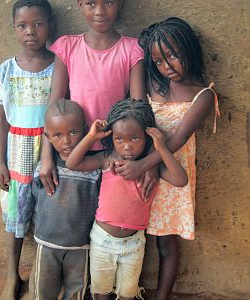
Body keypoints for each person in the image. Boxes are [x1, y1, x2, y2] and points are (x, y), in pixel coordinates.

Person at [113, 17, 220, 300]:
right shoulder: (152, 84)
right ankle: (125, 290)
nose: (167, 66)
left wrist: (142, 166)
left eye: (174, 55)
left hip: (172, 176)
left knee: (165, 244)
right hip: (144, 168)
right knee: (136, 236)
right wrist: (141, 165)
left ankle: (162, 297)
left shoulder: (203, 95)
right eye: (159, 61)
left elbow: (176, 140)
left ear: (190, 49)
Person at [66, 98, 188, 300]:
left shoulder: (150, 168)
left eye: (134, 138)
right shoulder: (107, 159)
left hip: (134, 243)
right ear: (111, 138)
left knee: (128, 293)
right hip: (102, 240)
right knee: (100, 292)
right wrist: (90, 137)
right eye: (119, 139)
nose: (127, 147)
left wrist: (162, 148)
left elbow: (180, 179)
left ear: (147, 136)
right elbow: (72, 163)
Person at [39, 0, 154, 197]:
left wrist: (147, 161)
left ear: (120, 3)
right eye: (91, 3)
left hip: (116, 153)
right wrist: (46, 156)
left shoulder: (132, 49)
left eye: (108, 2)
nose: (100, 11)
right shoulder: (68, 46)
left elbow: (140, 111)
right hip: (72, 150)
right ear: (80, 4)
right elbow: (54, 106)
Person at [0, 0, 54, 299]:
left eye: (38, 24)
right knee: (15, 215)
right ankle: (11, 277)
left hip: (49, 150)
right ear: (15, 29)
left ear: (50, 26)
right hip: (16, 152)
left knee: (47, 213)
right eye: (23, 25)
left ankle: (41, 278)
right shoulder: (6, 70)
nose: (31, 31)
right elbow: (2, 120)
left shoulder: (58, 67)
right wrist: (0, 163)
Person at [30, 99, 101, 300]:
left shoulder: (93, 168)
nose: (67, 141)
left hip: (80, 246)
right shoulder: (45, 169)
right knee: (42, 292)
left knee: (77, 292)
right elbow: (36, 199)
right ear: (47, 137)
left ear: (85, 130)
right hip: (47, 243)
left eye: (73, 132)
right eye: (57, 135)